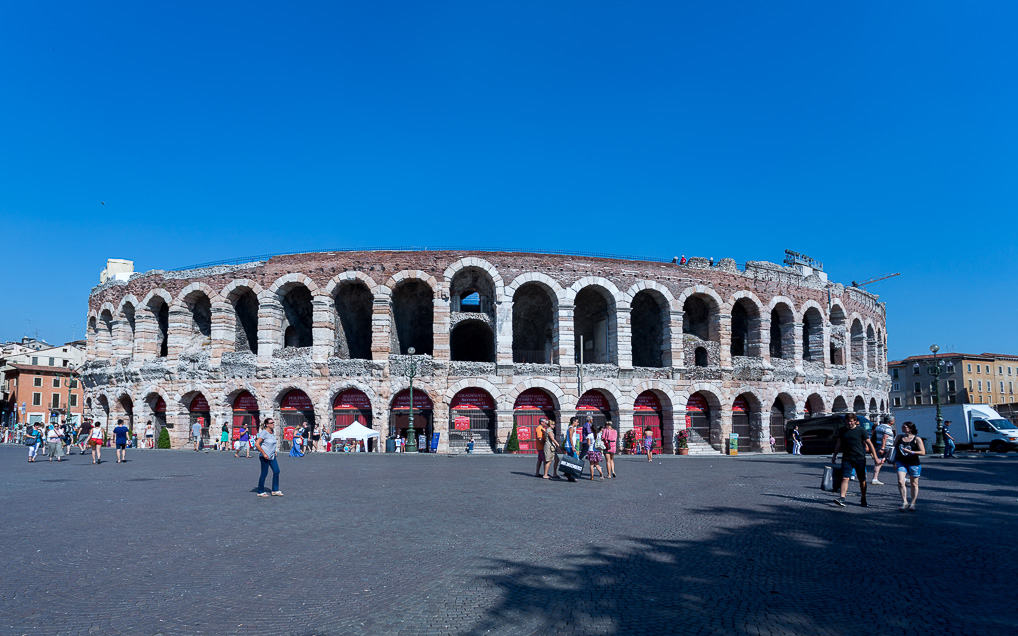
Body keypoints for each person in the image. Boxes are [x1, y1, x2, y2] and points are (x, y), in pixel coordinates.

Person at [831, 413, 880, 507]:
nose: (849, 423)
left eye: (851, 421)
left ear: (855, 421)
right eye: (847, 421)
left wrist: (876, 457)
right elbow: (838, 443)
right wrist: (834, 455)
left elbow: (870, 444)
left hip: (860, 458)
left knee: (862, 480)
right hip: (847, 458)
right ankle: (842, 498)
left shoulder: (861, 430)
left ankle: (863, 497)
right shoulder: (842, 431)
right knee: (845, 478)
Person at [894, 421, 925, 511]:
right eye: (902, 427)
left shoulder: (917, 439)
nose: (903, 428)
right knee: (900, 481)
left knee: (914, 484)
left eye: (905, 427)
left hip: (914, 463)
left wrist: (911, 452)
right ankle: (904, 502)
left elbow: (923, 452)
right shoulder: (899, 437)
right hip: (901, 462)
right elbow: (893, 449)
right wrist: (893, 461)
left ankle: (913, 503)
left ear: (910, 428)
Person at [254, 418, 282, 497]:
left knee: (276, 471)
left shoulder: (272, 432)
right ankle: (260, 491)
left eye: (273, 422)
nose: (273, 424)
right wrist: (263, 453)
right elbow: (257, 444)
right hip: (264, 457)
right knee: (264, 473)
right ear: (267, 424)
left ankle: (275, 490)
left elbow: (271, 443)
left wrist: (274, 450)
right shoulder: (264, 433)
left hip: (272, 456)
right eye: (271, 423)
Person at [870, 416, 896, 485]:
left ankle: (875, 478)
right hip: (886, 447)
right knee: (895, 461)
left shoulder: (878, 427)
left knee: (879, 462)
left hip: (879, 445)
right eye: (894, 420)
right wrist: (883, 448)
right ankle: (902, 477)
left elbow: (874, 436)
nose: (894, 421)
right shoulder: (888, 428)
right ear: (890, 421)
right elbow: (885, 438)